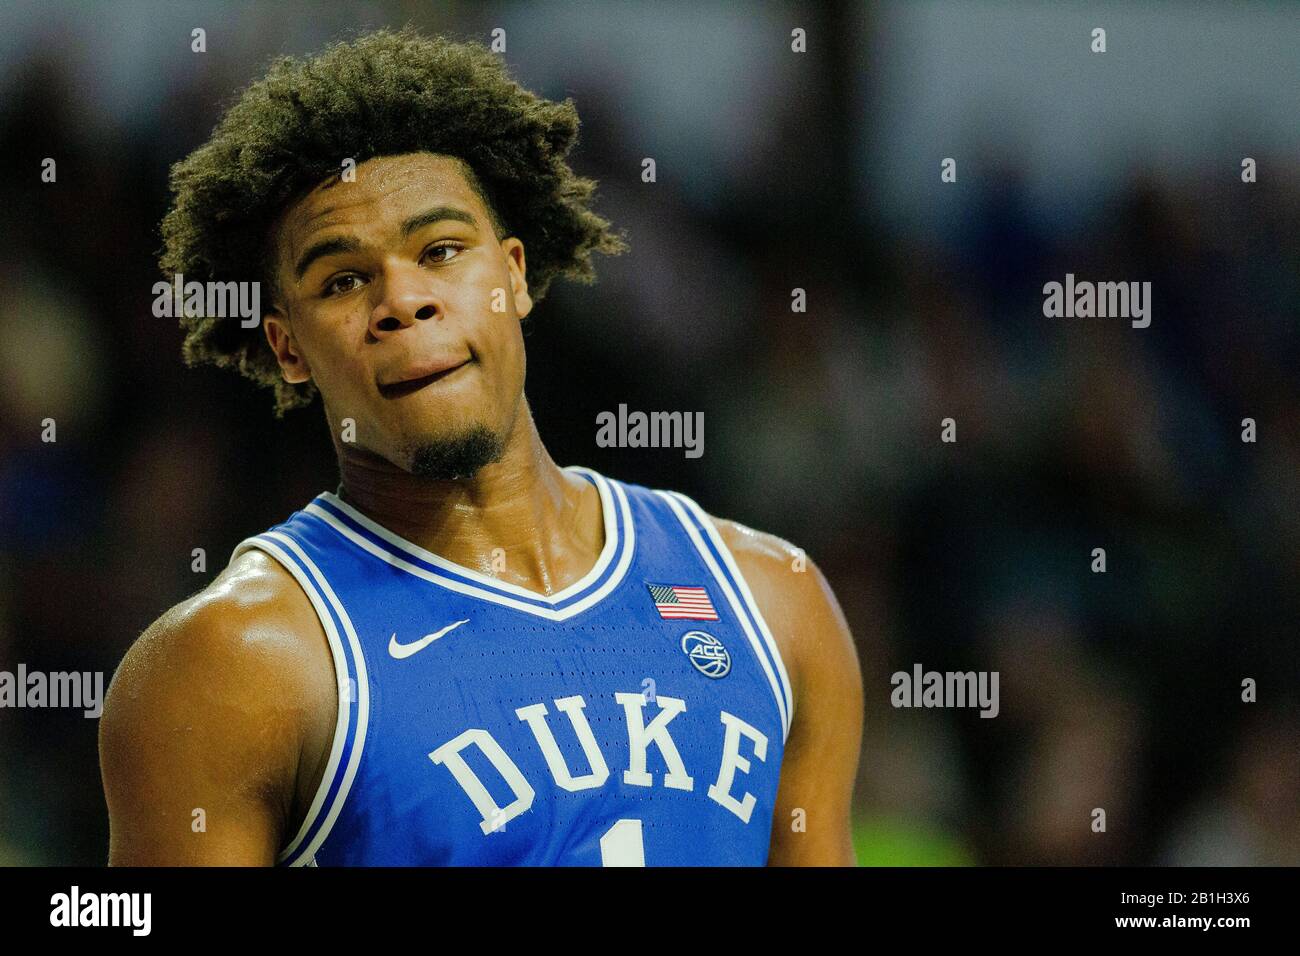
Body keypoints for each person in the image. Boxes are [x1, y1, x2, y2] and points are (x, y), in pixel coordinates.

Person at [99, 28, 862, 866]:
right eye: (343, 280)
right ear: (288, 349)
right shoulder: (233, 665)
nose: (403, 300)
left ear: (514, 276)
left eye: (441, 251)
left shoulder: (771, 600)